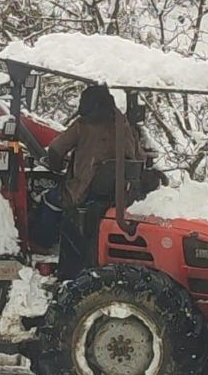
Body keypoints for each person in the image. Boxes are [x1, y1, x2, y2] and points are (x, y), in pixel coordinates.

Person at [32, 85, 147, 273]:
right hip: (119, 194)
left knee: (50, 199)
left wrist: (55, 165)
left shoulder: (83, 125)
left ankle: (41, 243)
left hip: (84, 190)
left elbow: (55, 149)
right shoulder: (125, 125)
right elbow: (140, 158)